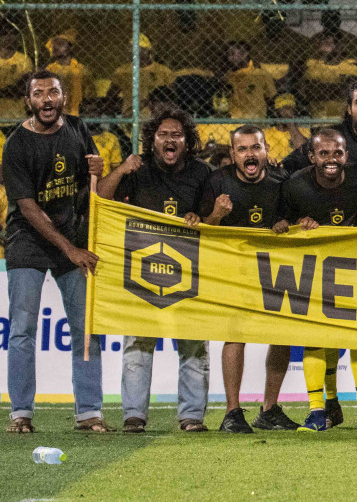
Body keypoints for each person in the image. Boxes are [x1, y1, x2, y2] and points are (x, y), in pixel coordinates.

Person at [96, 108, 217, 433]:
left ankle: (192, 416)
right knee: (137, 343)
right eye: (163, 134)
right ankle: (133, 416)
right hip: (142, 271)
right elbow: (100, 200)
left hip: (191, 271)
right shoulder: (137, 171)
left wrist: (200, 218)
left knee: (193, 343)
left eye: (176, 134)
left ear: (187, 142)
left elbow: (215, 222)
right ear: (153, 141)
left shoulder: (203, 173)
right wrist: (121, 169)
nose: (170, 139)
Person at [4, 70, 106, 434]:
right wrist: (72, 249)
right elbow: (29, 209)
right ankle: (20, 413)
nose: (46, 99)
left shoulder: (78, 129)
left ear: (64, 97)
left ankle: (89, 412)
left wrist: (100, 169)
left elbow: (91, 188)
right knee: (22, 330)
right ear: (28, 101)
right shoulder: (16, 144)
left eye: (53, 92)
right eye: (38, 93)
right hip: (29, 241)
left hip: (72, 238)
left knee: (85, 329)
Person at [200, 126, 298, 434]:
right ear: (232, 155)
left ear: (267, 149)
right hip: (233, 271)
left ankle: (269, 410)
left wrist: (287, 224)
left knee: (283, 334)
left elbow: (293, 222)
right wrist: (215, 215)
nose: (250, 154)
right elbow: (200, 229)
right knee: (234, 333)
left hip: (275, 269)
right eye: (242, 149)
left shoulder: (282, 183)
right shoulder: (216, 182)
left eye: (255, 147)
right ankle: (232, 412)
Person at [280, 127, 357, 431]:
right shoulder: (296, 186)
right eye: (323, 153)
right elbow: (279, 222)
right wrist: (296, 223)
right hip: (314, 271)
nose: (331, 159)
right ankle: (317, 410)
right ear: (311, 157)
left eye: (337, 153)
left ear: (347, 155)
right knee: (316, 336)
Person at [299, 33, 357, 119]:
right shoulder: (313, 67)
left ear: (340, 46)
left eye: (330, 41)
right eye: (324, 40)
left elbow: (348, 93)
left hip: (344, 118)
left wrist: (323, 87)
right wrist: (339, 86)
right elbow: (313, 94)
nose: (325, 42)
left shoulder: (351, 68)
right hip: (319, 118)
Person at [225, 41, 279, 120]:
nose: (230, 58)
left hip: (256, 120)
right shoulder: (229, 76)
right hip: (233, 122)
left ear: (245, 53)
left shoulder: (261, 74)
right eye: (228, 55)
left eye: (233, 53)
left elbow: (272, 97)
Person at [43, 32, 90, 117]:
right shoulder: (49, 69)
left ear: (70, 47)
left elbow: (88, 92)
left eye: (61, 44)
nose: (56, 46)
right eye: (54, 44)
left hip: (77, 112)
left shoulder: (80, 69)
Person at [0, 25, 32, 122]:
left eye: (13, 33)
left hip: (18, 117)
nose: (10, 37)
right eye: (5, 34)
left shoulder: (23, 60)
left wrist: (4, 91)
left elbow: (22, 89)